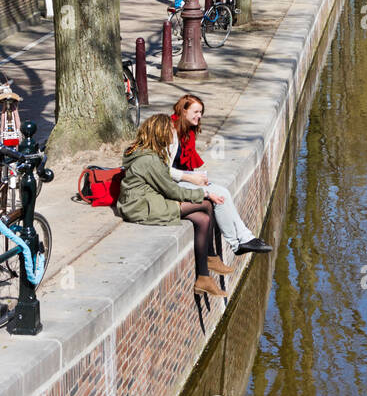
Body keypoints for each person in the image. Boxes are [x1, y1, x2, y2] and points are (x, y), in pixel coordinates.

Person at [116, 114, 229, 297]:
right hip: (142, 206)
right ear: (160, 133)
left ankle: (204, 275)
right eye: (170, 130)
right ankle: (209, 261)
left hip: (146, 199)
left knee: (202, 219)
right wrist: (205, 193)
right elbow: (172, 191)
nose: (173, 133)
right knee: (207, 204)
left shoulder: (144, 151)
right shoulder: (149, 160)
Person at [170, 95, 272, 256]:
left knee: (223, 191)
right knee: (220, 194)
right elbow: (164, 170)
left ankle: (245, 238)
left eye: (201, 112)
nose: (199, 116)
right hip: (170, 183)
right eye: (196, 112)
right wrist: (191, 178)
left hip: (183, 178)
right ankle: (237, 243)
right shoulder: (171, 133)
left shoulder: (187, 131)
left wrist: (196, 176)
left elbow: (183, 164)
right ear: (183, 111)